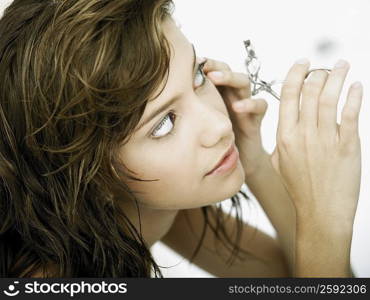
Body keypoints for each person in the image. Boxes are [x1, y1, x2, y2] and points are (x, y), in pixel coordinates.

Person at [0, 0, 362, 278]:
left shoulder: (150, 209)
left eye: (197, 77)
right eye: (163, 124)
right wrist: (325, 220)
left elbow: (291, 277)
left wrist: (255, 163)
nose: (219, 126)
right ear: (89, 176)